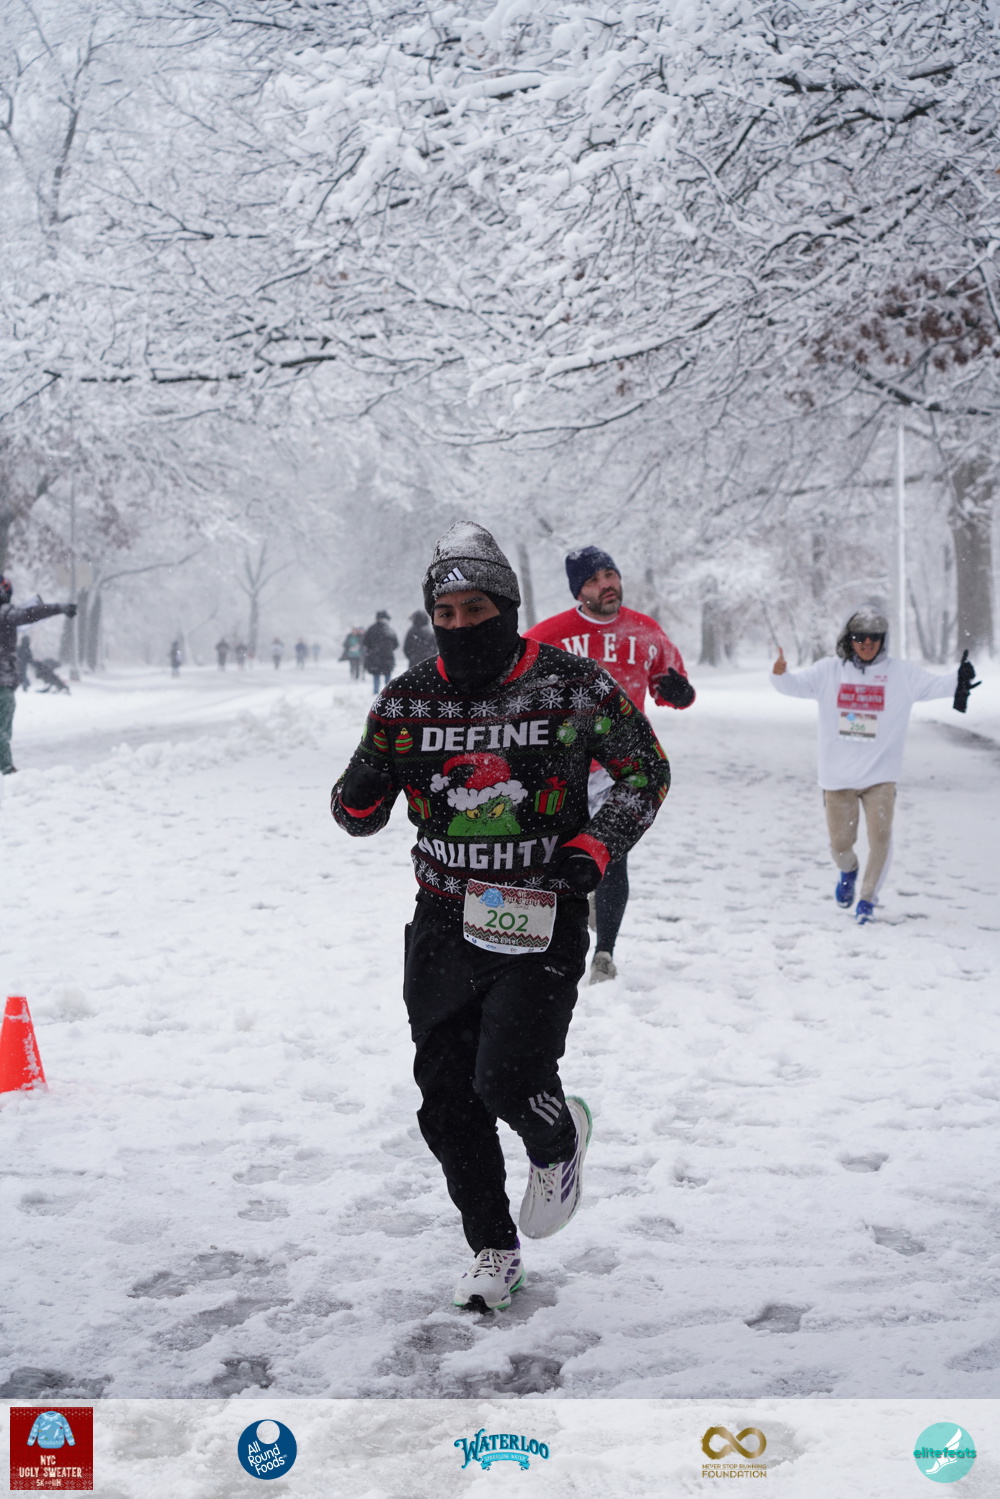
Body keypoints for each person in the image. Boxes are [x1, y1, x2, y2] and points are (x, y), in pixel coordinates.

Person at [331, 523, 670, 1311]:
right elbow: (357, 812)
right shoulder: (409, 698)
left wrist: (595, 845)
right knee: (447, 1098)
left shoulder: (570, 685)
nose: (458, 625)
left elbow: (645, 771)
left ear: (507, 608)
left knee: (509, 1075)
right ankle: (492, 1247)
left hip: (539, 910)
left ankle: (557, 1137)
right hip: (443, 919)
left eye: (475, 609)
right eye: (444, 613)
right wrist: (359, 790)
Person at [526, 546, 695, 982]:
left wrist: (679, 693)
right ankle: (549, 941)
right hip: (563, 766)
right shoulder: (550, 634)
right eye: (594, 580)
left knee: (611, 855)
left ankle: (604, 953)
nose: (607, 585)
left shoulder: (646, 631)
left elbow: (670, 684)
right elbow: (515, 687)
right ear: (578, 591)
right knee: (556, 858)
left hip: (623, 769)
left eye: (610, 575)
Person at [770, 606, 980, 924]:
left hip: (881, 775)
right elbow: (793, 686)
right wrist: (780, 674)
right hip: (837, 776)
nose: (867, 643)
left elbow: (936, 686)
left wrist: (959, 678)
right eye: (860, 638)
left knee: (880, 839)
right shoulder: (829, 671)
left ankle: (867, 899)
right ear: (849, 639)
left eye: (874, 638)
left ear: (883, 640)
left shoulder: (901, 674)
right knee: (840, 846)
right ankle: (848, 871)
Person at [0, 576, 77, 774]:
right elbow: (31, 614)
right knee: (2, 727)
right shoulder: (5, 613)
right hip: (2, 681)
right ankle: (6, 768)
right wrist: (58, 608)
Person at [363, 610, 398, 694]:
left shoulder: (371, 629)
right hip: (387, 657)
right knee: (387, 677)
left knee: (376, 676)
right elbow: (396, 644)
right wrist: (388, 649)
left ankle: (375, 693)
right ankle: (388, 693)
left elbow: (365, 642)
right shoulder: (390, 630)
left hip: (375, 657)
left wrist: (373, 650)